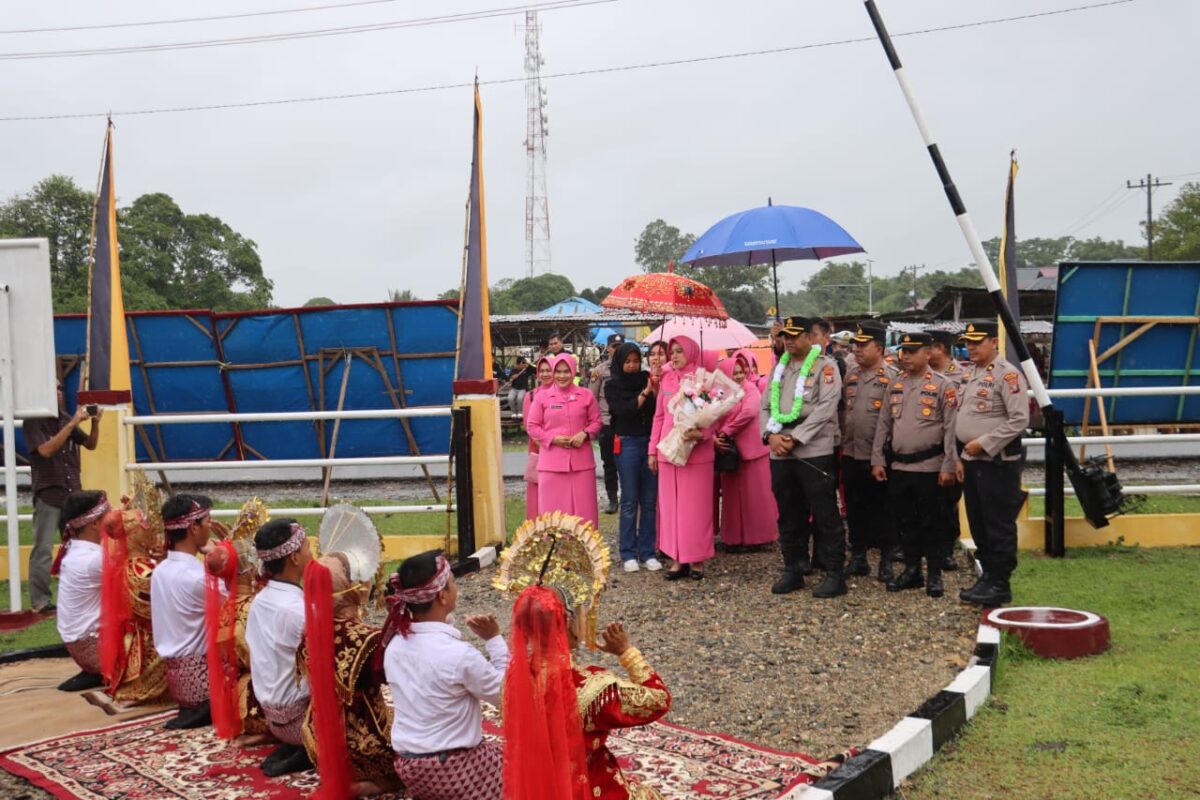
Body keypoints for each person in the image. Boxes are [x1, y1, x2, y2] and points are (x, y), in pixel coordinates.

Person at [502, 586, 671, 800]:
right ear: (569, 622)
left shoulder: (512, 680)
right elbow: (659, 699)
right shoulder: (595, 689)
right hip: (589, 788)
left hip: (538, 789)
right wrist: (626, 652)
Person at [382, 551, 507, 800]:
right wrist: (494, 640)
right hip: (451, 769)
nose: (455, 587)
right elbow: (507, 696)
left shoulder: (394, 644)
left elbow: (431, 655)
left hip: (409, 767)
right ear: (442, 596)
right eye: (452, 582)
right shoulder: (459, 654)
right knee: (529, 767)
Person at [760, 317, 846, 598]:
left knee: (824, 513)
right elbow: (764, 407)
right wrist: (770, 436)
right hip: (780, 451)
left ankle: (835, 573)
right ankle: (794, 569)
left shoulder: (826, 366)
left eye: (795, 336)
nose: (789, 340)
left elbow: (826, 407)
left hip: (813, 449)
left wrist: (796, 438)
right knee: (788, 512)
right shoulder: (779, 369)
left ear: (811, 338)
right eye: (786, 336)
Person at [301, 554, 399, 797]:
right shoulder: (367, 638)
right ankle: (377, 783)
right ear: (349, 589)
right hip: (361, 747)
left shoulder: (311, 629)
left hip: (320, 740)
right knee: (423, 752)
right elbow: (400, 675)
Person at [870, 333, 959, 598]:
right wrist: (877, 459)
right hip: (899, 466)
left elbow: (951, 429)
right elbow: (884, 424)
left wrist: (949, 465)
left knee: (931, 523)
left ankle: (934, 574)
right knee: (905, 522)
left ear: (928, 352)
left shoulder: (943, 385)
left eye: (912, 351)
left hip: (930, 467)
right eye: (903, 351)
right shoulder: (895, 384)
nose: (906, 356)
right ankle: (912, 570)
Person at [954, 322, 1030, 607]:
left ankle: (1000, 582)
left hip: (996, 461)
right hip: (972, 460)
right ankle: (987, 577)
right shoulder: (969, 374)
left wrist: (984, 442)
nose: (971, 347)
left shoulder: (1007, 374)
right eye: (968, 342)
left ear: (993, 342)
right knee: (978, 522)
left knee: (998, 523)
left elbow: (1019, 419)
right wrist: (960, 453)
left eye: (977, 342)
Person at [22, 382, 101, 613]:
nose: (58, 392)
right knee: (43, 548)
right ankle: (40, 601)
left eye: (59, 388)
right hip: (50, 491)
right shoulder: (33, 422)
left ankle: (76, 595)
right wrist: (74, 423)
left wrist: (96, 422)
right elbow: (45, 451)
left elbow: (90, 444)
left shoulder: (65, 417)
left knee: (79, 546)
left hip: (72, 494)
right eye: (53, 388)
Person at [246, 518, 315, 776]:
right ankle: (309, 746)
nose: (311, 552)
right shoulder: (296, 609)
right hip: (300, 721)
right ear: (295, 558)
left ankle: (295, 747)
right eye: (307, 546)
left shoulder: (260, 600)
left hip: (273, 719)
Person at [151, 493, 220, 729]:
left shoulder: (160, 570)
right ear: (192, 528)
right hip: (203, 689)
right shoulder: (196, 577)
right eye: (208, 521)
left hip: (177, 684)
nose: (210, 526)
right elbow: (241, 598)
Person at [649, 336, 716, 581]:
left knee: (694, 509)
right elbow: (658, 417)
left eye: (679, 351)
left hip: (696, 454)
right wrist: (652, 450)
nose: (674, 356)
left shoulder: (704, 379)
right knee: (672, 508)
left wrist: (703, 433)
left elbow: (713, 417)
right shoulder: (666, 379)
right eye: (671, 352)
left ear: (691, 352)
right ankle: (677, 558)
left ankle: (696, 559)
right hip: (669, 449)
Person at [842, 322, 901, 582]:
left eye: (862, 345)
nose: (856, 349)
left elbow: (894, 421)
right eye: (855, 344)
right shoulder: (851, 375)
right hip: (852, 452)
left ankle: (886, 561)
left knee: (884, 510)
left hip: (879, 456)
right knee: (854, 508)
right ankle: (858, 558)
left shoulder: (892, 377)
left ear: (879, 347)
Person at [99, 502, 170, 706]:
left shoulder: (131, 564)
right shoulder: (142, 572)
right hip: (149, 642)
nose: (152, 530)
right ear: (133, 535)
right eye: (145, 526)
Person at [526, 353, 603, 525]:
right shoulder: (542, 397)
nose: (562, 376)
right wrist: (552, 439)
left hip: (582, 465)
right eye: (558, 372)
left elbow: (596, 422)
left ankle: (586, 549)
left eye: (566, 371)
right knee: (552, 514)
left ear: (573, 372)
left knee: (585, 512)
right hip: (551, 465)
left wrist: (585, 434)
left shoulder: (586, 395)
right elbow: (532, 426)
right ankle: (554, 549)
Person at [604, 342, 660, 573]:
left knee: (649, 501)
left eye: (636, 361)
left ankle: (647, 551)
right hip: (626, 443)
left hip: (650, 443)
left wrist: (655, 388)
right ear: (620, 362)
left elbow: (659, 409)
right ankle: (628, 552)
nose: (632, 365)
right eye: (627, 361)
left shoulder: (648, 378)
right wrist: (646, 391)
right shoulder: (612, 385)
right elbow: (626, 410)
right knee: (629, 500)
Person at [715, 351, 778, 553]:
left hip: (752, 453)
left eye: (741, 371)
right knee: (732, 498)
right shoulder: (720, 393)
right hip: (730, 453)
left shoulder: (750, 389)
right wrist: (717, 435)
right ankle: (733, 538)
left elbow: (749, 413)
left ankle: (758, 537)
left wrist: (724, 431)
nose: (739, 376)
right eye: (734, 372)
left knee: (756, 496)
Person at [53, 490, 110, 692]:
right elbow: (141, 584)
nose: (114, 519)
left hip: (79, 644)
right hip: (92, 648)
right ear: (94, 523)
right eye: (109, 514)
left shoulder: (78, 549)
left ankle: (95, 672)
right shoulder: (93, 559)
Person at [927, 329, 967, 571]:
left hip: (950, 448)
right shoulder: (922, 375)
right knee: (924, 501)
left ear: (940, 348)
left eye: (928, 347)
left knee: (948, 502)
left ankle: (946, 550)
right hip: (926, 449)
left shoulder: (963, 377)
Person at [588, 334, 624, 515]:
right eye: (613, 346)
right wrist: (597, 423)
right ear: (608, 348)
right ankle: (612, 499)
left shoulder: (631, 367)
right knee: (609, 463)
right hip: (607, 423)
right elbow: (592, 398)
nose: (616, 349)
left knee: (628, 463)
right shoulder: (600, 371)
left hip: (626, 423)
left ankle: (628, 497)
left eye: (620, 345)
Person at [522, 356, 555, 521]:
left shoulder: (562, 393)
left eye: (548, 370)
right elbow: (530, 427)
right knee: (537, 489)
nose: (545, 374)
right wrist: (547, 445)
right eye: (541, 371)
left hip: (559, 451)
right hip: (539, 450)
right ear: (537, 374)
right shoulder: (531, 396)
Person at [507, 356, 534, 421]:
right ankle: (513, 413)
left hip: (523, 389)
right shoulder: (513, 370)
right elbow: (510, 378)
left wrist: (528, 365)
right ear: (518, 364)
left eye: (524, 362)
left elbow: (534, 370)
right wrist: (512, 377)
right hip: (514, 388)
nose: (523, 364)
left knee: (520, 398)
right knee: (510, 398)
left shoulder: (527, 370)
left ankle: (520, 413)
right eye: (522, 363)